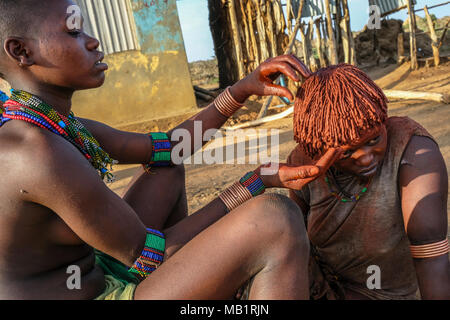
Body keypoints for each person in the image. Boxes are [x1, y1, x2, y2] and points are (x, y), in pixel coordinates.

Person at [0, 0, 339, 300]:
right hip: (101, 287)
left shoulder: (53, 124)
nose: (93, 41)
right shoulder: (37, 152)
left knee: (167, 168)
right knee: (275, 220)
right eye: (73, 32)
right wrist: (255, 182)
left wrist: (239, 91)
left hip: (101, 269)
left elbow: (170, 150)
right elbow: (149, 257)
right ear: (21, 51)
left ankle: (206, 280)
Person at [287, 63, 450, 300]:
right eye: (345, 152)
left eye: (374, 140)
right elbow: (293, 244)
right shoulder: (303, 162)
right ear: (318, 148)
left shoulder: (412, 151)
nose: (365, 158)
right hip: (320, 289)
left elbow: (431, 257)